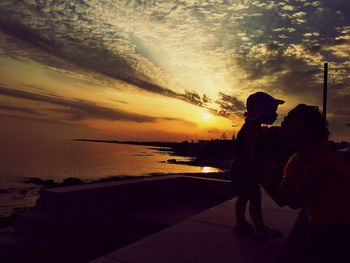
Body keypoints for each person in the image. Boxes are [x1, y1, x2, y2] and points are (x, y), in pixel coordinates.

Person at [261, 104, 350, 262]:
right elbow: (283, 199)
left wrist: (259, 174)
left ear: (305, 129)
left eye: (292, 117)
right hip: (321, 226)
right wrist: (260, 173)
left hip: (340, 229)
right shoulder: (296, 159)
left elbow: (295, 201)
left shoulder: (324, 162)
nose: (286, 118)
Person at [230, 91, 284, 242]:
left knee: (242, 197)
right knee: (254, 198)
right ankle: (260, 229)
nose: (275, 114)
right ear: (263, 111)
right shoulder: (253, 129)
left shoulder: (250, 126)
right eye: (273, 111)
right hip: (246, 170)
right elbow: (251, 151)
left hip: (239, 169)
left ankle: (240, 223)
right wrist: (262, 168)